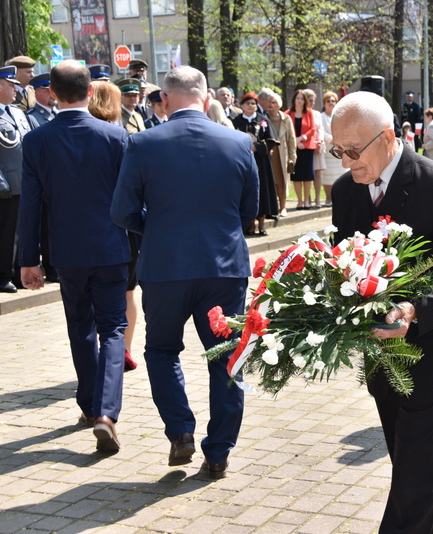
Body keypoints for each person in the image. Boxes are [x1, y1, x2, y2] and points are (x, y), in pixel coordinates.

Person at [329, 90, 433, 534]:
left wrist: (413, 311)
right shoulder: (346, 191)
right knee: (417, 469)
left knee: (412, 483)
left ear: (388, 137)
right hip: (383, 360)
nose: (345, 162)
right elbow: (345, 267)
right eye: (337, 150)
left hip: (432, 357)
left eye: (353, 151)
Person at [111, 65, 260, 479]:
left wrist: (156, 227)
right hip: (224, 266)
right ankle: (219, 451)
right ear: (207, 96)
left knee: (161, 350)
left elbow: (122, 211)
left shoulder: (142, 142)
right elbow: (249, 211)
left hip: (164, 266)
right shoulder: (238, 142)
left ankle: (180, 430)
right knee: (226, 357)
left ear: (165, 99)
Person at [19, 60, 130, 451]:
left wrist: (28, 259)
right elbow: (131, 198)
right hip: (112, 247)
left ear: (50, 92)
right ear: (89, 91)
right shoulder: (116, 137)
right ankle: (106, 411)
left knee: (80, 326)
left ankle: (89, 405)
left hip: (66, 251)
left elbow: (30, 205)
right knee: (114, 328)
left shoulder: (35, 141)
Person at [87, 79, 140, 372]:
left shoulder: (78, 135)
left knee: (94, 296)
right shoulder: (121, 137)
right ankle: (124, 350)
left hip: (89, 228)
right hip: (122, 226)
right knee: (128, 292)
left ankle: (105, 349)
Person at [0, 66, 32, 293]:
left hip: (25, 182)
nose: (16, 89)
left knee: (24, 231)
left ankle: (21, 273)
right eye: (11, 85)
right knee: (7, 233)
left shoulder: (19, 113)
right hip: (7, 185)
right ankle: (3, 276)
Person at [24, 72, 60, 284]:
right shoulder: (31, 117)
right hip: (44, 181)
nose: (51, 93)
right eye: (46, 89)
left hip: (59, 182)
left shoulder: (58, 114)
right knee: (46, 228)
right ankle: (50, 267)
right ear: (37, 92)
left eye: (52, 89)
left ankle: (54, 264)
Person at [232, 92, 279, 236]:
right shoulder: (237, 121)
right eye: (248, 103)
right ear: (242, 105)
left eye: (253, 103)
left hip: (261, 162)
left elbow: (272, 140)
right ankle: (249, 224)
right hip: (243, 161)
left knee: (262, 191)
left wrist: (256, 147)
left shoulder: (263, 120)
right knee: (247, 190)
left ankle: (262, 225)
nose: (251, 106)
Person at [265, 91, 296, 217]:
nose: (271, 105)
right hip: (270, 153)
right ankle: (273, 207)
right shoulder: (264, 118)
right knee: (271, 181)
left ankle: (283, 207)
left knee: (282, 181)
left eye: (274, 102)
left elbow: (291, 139)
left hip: (282, 154)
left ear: (279, 105)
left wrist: (293, 156)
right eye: (270, 102)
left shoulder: (286, 118)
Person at [286, 88, 316, 209]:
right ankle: (299, 201)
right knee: (296, 176)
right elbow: (287, 130)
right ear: (294, 100)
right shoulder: (287, 113)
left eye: (301, 99)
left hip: (307, 147)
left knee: (307, 175)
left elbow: (312, 129)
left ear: (304, 101)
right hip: (294, 149)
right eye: (297, 98)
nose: (299, 101)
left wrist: (301, 138)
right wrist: (296, 142)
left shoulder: (309, 113)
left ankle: (306, 201)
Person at [304, 89, 326, 207]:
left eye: (313, 100)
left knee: (318, 173)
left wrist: (320, 140)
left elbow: (320, 128)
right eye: (310, 100)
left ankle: (318, 198)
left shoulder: (317, 113)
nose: (312, 103)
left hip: (317, 145)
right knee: (308, 174)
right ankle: (308, 198)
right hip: (307, 146)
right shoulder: (303, 114)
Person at [319, 91, 341, 206]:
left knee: (340, 174)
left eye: (333, 101)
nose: (331, 103)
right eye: (328, 101)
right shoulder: (321, 116)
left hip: (339, 149)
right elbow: (322, 131)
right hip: (328, 149)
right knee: (328, 175)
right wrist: (331, 139)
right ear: (324, 103)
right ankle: (328, 198)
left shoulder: (340, 116)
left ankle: (339, 198)